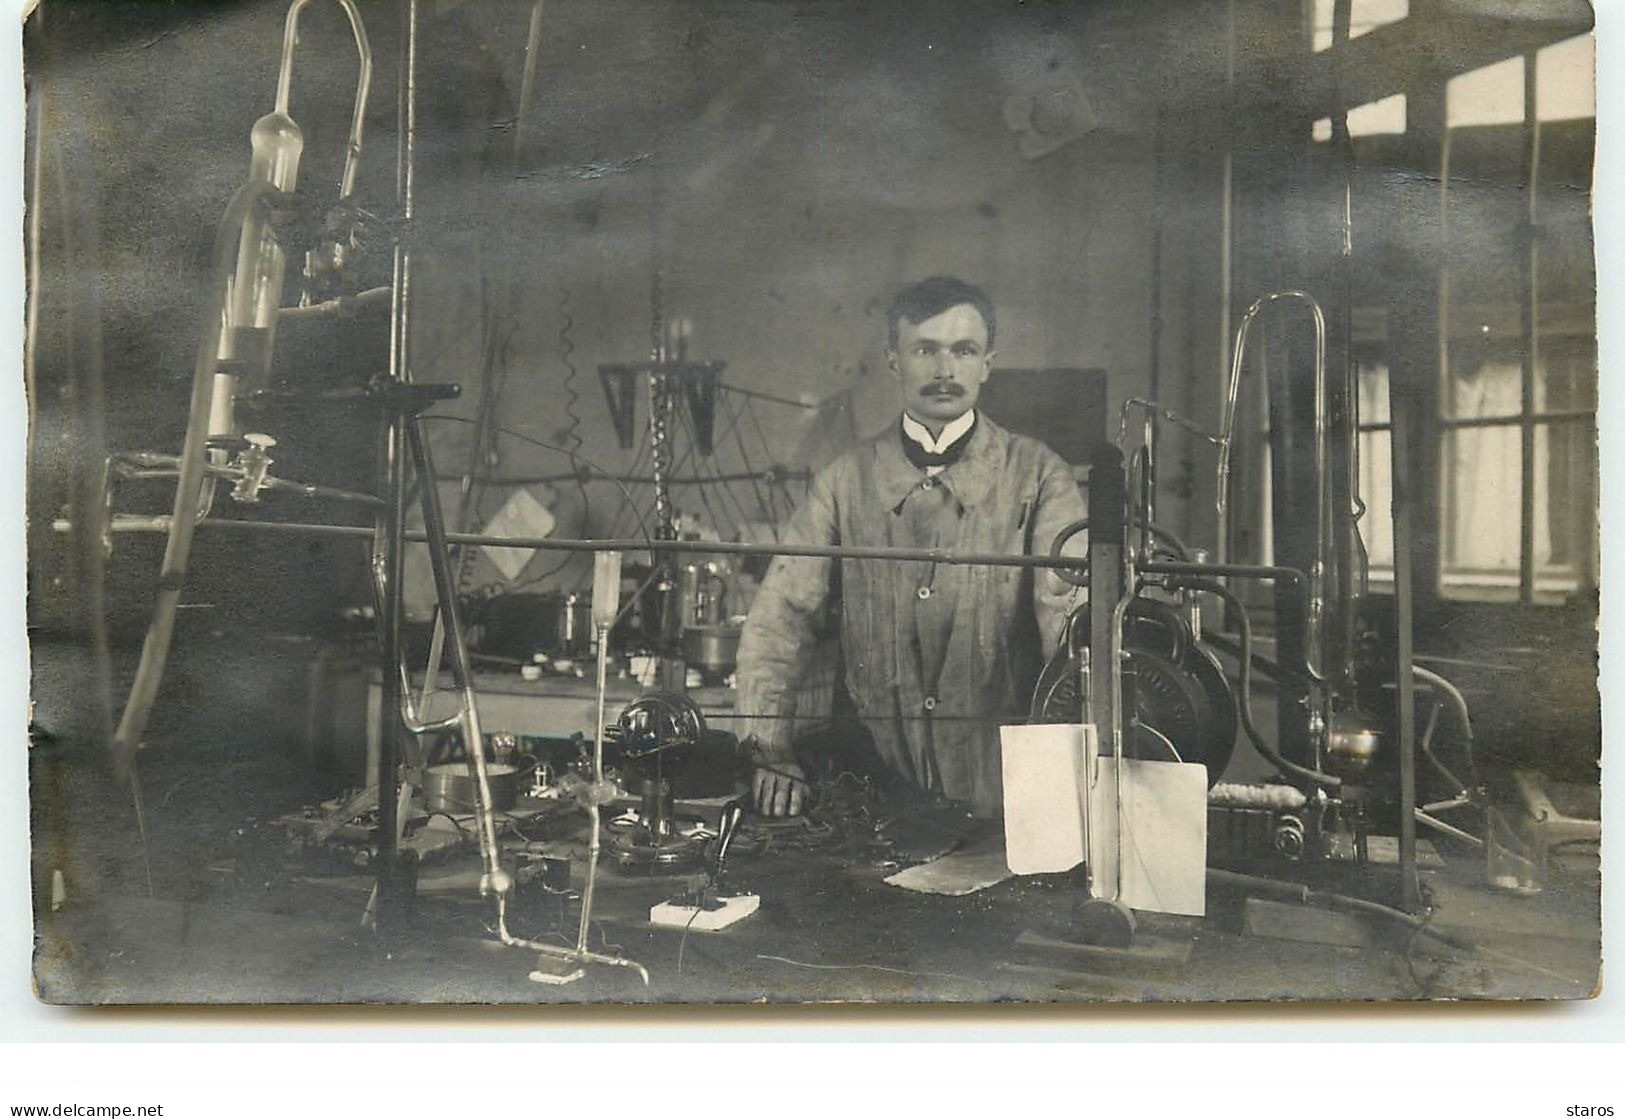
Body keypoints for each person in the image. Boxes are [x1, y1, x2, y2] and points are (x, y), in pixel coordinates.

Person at [735, 276, 1088, 819]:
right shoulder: (843, 481)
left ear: (987, 363)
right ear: (894, 360)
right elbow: (779, 619)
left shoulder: (1040, 477)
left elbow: (1072, 633)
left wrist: (1073, 775)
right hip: (872, 793)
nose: (945, 370)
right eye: (925, 349)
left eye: (963, 351)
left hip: (1004, 797)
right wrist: (768, 748)